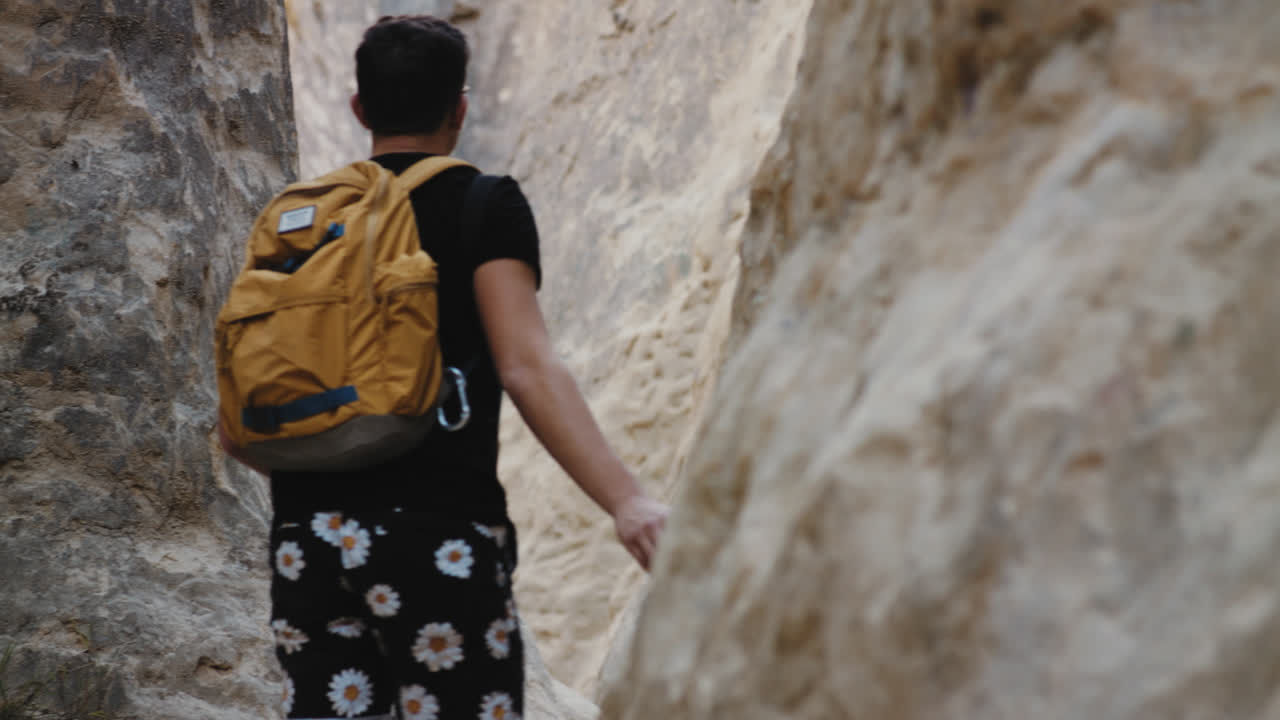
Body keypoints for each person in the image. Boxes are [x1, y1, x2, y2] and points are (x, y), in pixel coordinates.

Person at [220, 14, 668, 720]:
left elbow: (237, 424)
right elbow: (526, 367)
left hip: (307, 543)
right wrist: (626, 501)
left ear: (360, 108)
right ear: (460, 107)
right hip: (437, 537)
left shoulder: (301, 221)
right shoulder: (483, 205)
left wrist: (335, 470)